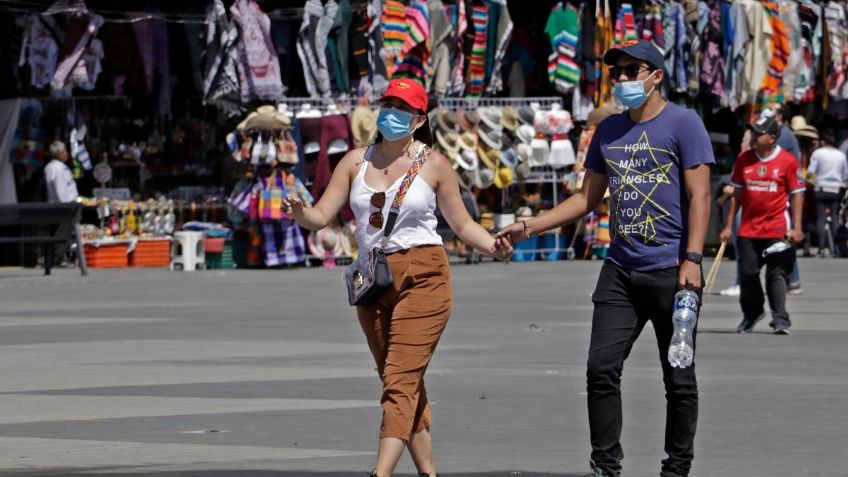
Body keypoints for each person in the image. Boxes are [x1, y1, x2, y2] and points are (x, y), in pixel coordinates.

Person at [499, 39, 713, 477]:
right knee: (600, 369)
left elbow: (700, 195)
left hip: (671, 271)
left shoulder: (684, 124)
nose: (620, 80)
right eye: (616, 73)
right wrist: (529, 226)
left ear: (655, 76)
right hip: (620, 270)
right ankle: (605, 466)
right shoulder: (608, 131)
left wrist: (692, 258)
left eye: (630, 71)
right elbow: (586, 198)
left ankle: (676, 468)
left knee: (679, 376)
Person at [282, 79, 512, 477]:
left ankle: (381, 473)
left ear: (419, 119)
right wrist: (301, 212)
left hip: (424, 276)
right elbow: (321, 217)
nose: (390, 112)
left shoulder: (435, 164)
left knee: (400, 380)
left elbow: (460, 223)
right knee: (400, 380)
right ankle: (429, 473)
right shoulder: (355, 161)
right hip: (372, 280)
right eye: (386, 103)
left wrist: (493, 245)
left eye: (400, 107)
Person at [720, 115, 805, 335]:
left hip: (778, 228)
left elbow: (797, 195)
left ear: (773, 138)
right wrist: (728, 226)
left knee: (776, 274)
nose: (754, 137)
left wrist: (796, 227)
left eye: (759, 133)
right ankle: (752, 313)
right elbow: (736, 195)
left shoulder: (788, 161)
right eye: (753, 132)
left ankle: (780, 319)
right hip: (748, 228)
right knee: (747, 274)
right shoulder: (744, 159)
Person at [807, 131, 848, 257]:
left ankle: (821, 248)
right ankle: (836, 248)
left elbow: (810, 172)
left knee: (820, 218)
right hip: (835, 189)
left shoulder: (818, 153)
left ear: (823, 142)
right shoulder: (840, 155)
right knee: (835, 218)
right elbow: (845, 175)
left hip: (820, 188)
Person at [43, 140, 80, 265]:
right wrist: (67, 206)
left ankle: (55, 258)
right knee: (62, 233)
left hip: (57, 205)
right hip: (63, 206)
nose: (67, 153)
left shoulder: (52, 167)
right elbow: (61, 190)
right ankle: (57, 259)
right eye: (64, 151)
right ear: (59, 154)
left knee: (58, 232)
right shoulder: (58, 168)